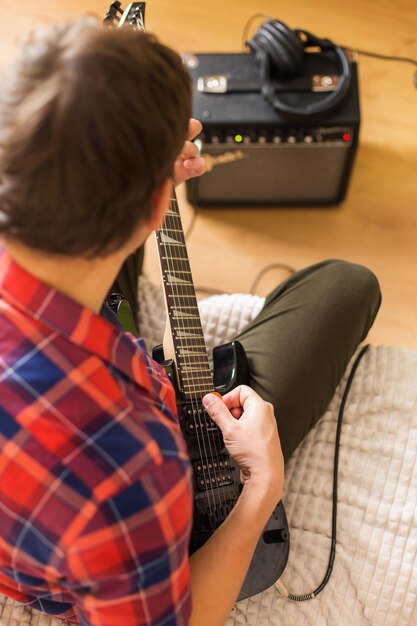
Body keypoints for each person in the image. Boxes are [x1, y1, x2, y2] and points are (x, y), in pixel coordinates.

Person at [0, 16, 381, 626]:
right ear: (159, 205)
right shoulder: (129, 467)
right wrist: (260, 490)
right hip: (108, 525)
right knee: (349, 284)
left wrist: (129, 173)